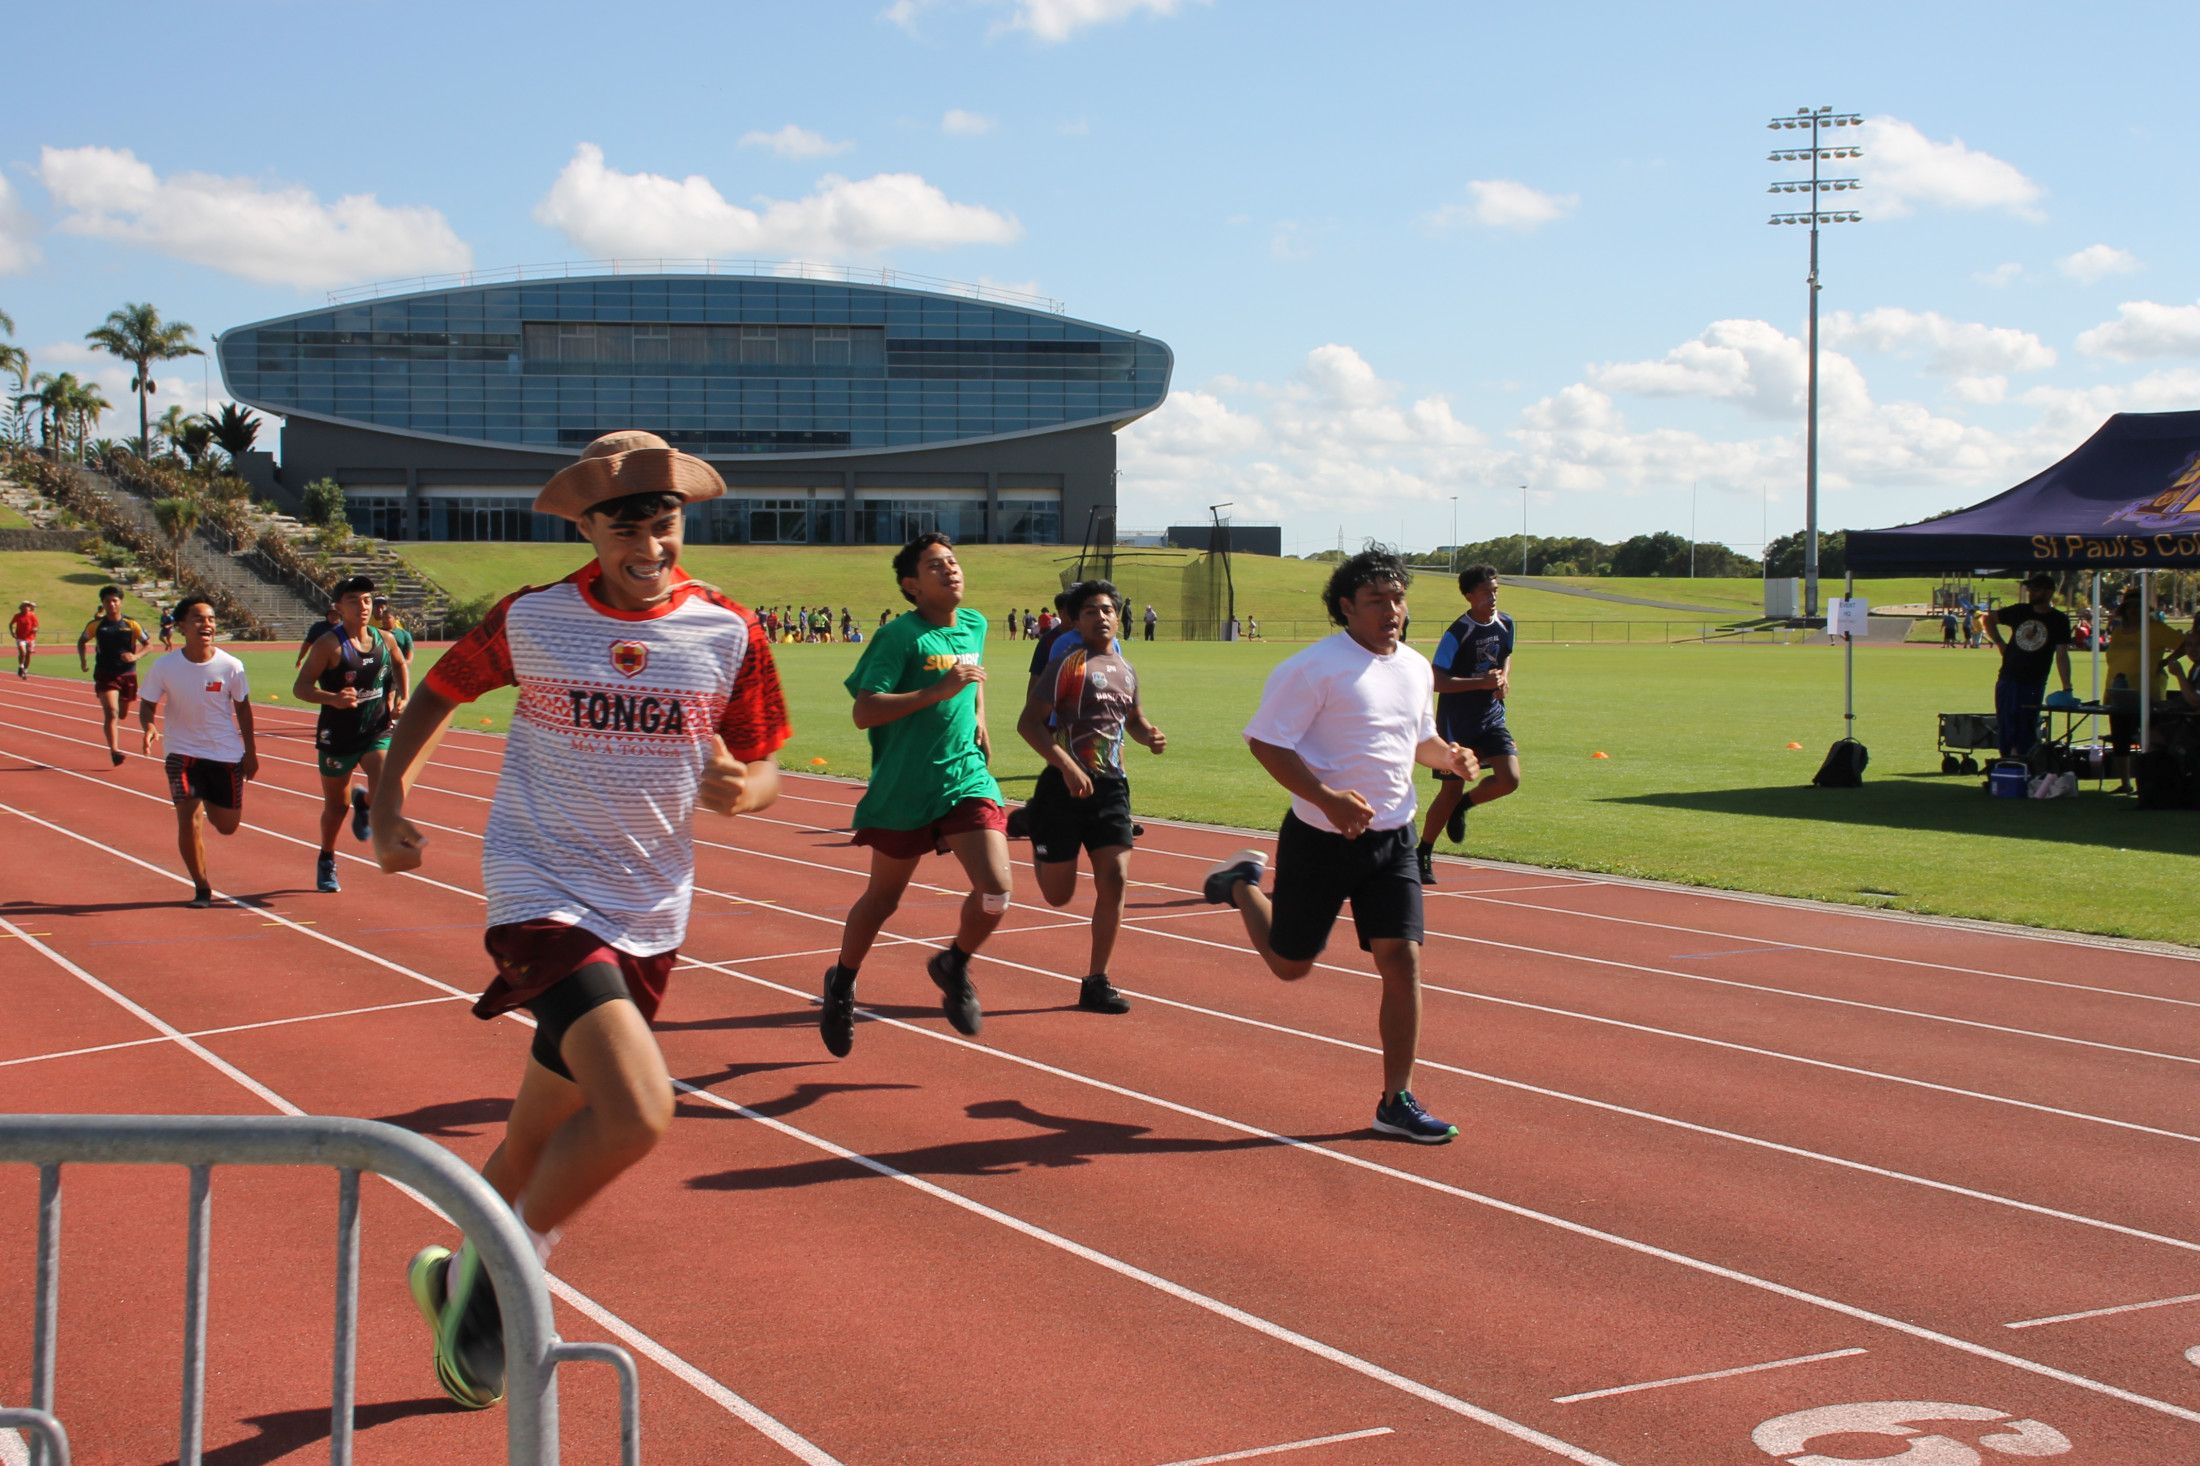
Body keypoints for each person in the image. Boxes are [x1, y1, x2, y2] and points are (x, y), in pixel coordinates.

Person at [370, 428, 788, 1412]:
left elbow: (764, 761)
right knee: (638, 1111)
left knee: (535, 1136)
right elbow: (437, 694)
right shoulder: (534, 619)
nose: (648, 542)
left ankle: (452, 1274)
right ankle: (498, 1294)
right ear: (587, 528)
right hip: (541, 891)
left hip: (651, 909)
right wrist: (388, 803)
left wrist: (746, 788)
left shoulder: (728, 631)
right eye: (623, 525)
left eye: (663, 520)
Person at [1199, 550, 1478, 1143]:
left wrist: (1451, 758)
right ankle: (1241, 885)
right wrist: (1327, 799)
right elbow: (1266, 743)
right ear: (1346, 606)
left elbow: (1419, 739)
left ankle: (1396, 1100)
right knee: (1290, 966)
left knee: (1402, 960)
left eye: (1398, 598)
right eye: (1377, 600)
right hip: (1321, 840)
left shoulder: (1414, 667)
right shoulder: (1312, 669)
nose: (1392, 610)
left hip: (1393, 839)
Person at [819, 533, 1007, 1057]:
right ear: (912, 585)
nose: (950, 570)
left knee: (996, 890)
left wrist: (979, 717)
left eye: (953, 561)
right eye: (935, 566)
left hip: (964, 777)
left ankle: (954, 963)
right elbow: (864, 711)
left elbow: (974, 675)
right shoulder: (898, 637)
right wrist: (938, 692)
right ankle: (842, 983)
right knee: (884, 900)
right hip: (905, 786)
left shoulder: (975, 624)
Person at [1016, 580, 1163, 1014]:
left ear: (1117, 617)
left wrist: (1149, 736)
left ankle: (1097, 980)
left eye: (1107, 610)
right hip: (1063, 787)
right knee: (1057, 896)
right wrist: (1067, 766)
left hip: (1111, 786)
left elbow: (1133, 720)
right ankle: (1036, 822)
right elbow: (1029, 724)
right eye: (1091, 611)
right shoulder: (1067, 665)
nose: (1101, 616)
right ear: (1076, 622)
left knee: (1114, 878)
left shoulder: (1127, 668)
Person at [137, 594, 257, 907]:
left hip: (224, 754)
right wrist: (149, 726)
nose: (207, 624)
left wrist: (251, 753)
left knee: (227, 826)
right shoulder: (165, 666)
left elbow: (244, 710)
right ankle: (202, 888)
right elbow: (147, 704)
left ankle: (206, 799)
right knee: (188, 819)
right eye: (199, 618)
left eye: (211, 619)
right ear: (182, 625)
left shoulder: (231, 666)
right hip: (182, 753)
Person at [294, 576, 409, 893]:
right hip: (338, 736)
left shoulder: (386, 639)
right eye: (354, 600)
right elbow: (301, 688)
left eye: (367, 600)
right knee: (336, 808)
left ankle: (367, 802)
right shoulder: (328, 645)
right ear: (338, 607)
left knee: (388, 783)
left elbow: (400, 665)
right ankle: (327, 857)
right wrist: (333, 698)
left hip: (376, 729)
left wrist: (403, 697)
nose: (363, 606)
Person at [1417, 565, 1520, 885]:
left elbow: (1505, 655)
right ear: (1468, 595)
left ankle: (1463, 806)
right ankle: (1423, 852)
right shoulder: (1457, 633)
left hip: (1491, 716)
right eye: (1486, 592)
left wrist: (1504, 679)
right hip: (1456, 723)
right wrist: (1479, 682)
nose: (1492, 597)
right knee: (1450, 790)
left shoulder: (1506, 623)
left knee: (1510, 779)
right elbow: (1436, 680)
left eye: (1495, 590)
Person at [1988, 571, 2073, 761]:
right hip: (2009, 676)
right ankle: (2007, 762)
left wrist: (2067, 686)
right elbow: (1989, 619)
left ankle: (2025, 762)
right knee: (2006, 722)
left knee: (2027, 724)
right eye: (2030, 589)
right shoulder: (2019, 611)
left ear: (2049, 592)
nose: (2031, 593)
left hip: (2035, 680)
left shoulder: (2059, 620)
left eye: (2035, 589)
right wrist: (2000, 643)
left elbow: (2062, 654)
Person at [2103, 585, 2178, 793]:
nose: (2134, 610)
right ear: (2124, 609)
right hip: (2117, 693)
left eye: (2138, 606)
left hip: (2147, 693)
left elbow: (2185, 643)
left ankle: (2148, 782)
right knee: (2120, 738)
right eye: (2130, 606)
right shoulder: (2118, 631)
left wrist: (2166, 661)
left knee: (2149, 737)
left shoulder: (2156, 628)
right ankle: (2125, 783)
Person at [77, 586, 149, 767]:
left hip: (127, 673)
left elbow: (148, 644)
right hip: (105, 673)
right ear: (103, 603)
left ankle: (115, 741)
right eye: (107, 601)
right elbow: (82, 641)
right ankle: (114, 750)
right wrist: (83, 661)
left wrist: (136, 656)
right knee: (111, 712)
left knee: (122, 714)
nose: (111, 604)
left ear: (120, 602)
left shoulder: (131, 624)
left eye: (114, 600)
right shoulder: (96, 625)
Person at [372, 595, 415, 668]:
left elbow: (409, 657)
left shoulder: (404, 634)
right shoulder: (376, 633)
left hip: (399, 668)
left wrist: (402, 667)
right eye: (383, 618)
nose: (384, 620)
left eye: (388, 618)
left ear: (395, 618)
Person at [10, 599, 36, 679]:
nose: (27, 607)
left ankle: (25, 670)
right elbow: (11, 624)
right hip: (20, 638)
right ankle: (21, 666)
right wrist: (12, 632)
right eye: (25, 606)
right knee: (22, 652)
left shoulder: (32, 615)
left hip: (30, 638)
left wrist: (35, 629)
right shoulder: (17, 616)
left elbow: (36, 625)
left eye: (28, 606)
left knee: (28, 654)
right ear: (21, 607)